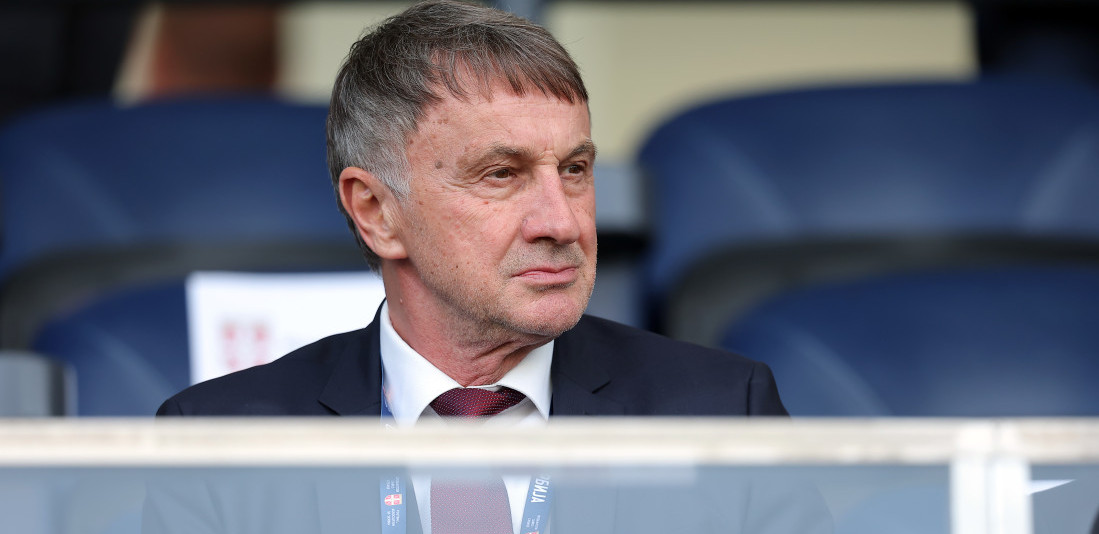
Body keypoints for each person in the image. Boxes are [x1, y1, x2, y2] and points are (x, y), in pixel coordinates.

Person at [150, 2, 819, 533]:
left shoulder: (722, 413)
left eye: (574, 170)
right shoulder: (222, 449)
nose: (562, 223)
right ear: (377, 212)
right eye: (501, 174)